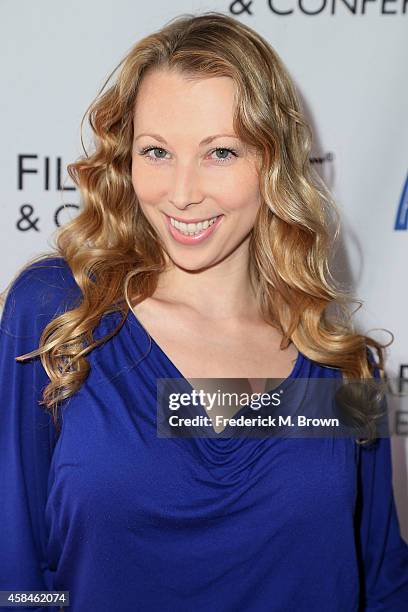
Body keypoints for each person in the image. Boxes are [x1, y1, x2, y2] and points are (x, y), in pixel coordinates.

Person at [1, 10, 407, 612]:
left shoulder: (338, 364)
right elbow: (16, 572)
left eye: (220, 152)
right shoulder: (62, 315)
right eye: (157, 151)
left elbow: (382, 583)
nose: (183, 190)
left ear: (272, 162)